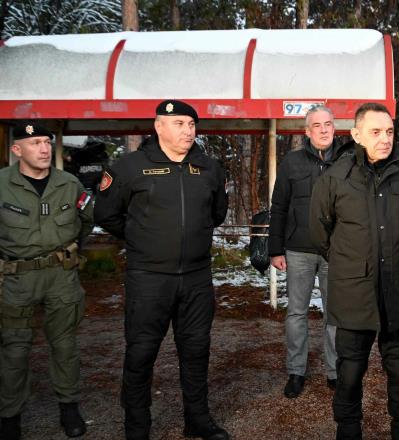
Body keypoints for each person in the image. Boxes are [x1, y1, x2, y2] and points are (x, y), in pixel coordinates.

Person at [94, 100, 229, 440]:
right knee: (141, 353)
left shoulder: (209, 168)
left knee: (196, 351)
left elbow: (217, 214)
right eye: (180, 123)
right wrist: (144, 238)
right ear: (159, 126)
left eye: (192, 124)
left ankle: (197, 420)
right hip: (149, 278)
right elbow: (106, 215)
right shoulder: (130, 167)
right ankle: (137, 428)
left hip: (196, 278)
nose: (188, 131)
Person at [310, 102, 399, 439]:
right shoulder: (335, 177)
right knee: (349, 372)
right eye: (376, 132)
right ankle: (348, 431)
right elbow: (320, 232)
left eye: (389, 131)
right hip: (355, 292)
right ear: (356, 134)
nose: (385, 139)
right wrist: (352, 261)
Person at [0, 122, 93, 439]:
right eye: (35, 143)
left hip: (61, 276)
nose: (43, 149)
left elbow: (85, 222)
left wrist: (69, 253)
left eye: (47, 142)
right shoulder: (2, 184)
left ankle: (69, 409)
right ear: (17, 150)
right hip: (16, 278)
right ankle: (9, 417)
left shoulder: (69, 184)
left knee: (65, 345)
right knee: (14, 349)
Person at [269, 105, 350, 398]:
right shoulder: (292, 162)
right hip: (298, 250)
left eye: (328, 124)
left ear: (334, 127)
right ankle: (296, 372)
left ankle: (334, 372)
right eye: (317, 125)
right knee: (296, 313)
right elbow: (279, 207)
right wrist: (275, 249)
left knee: (335, 314)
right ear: (307, 131)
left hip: (335, 251)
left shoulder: (348, 160)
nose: (324, 129)